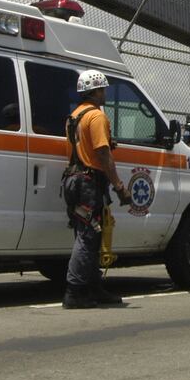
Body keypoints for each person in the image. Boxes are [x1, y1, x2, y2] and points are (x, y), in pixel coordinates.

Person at [62, 69, 129, 309]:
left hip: (73, 180)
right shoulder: (97, 117)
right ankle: (74, 291)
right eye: (104, 89)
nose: (106, 94)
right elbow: (102, 154)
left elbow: (84, 147)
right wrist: (119, 186)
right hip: (89, 182)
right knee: (88, 236)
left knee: (90, 234)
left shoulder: (74, 116)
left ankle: (93, 287)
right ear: (96, 90)